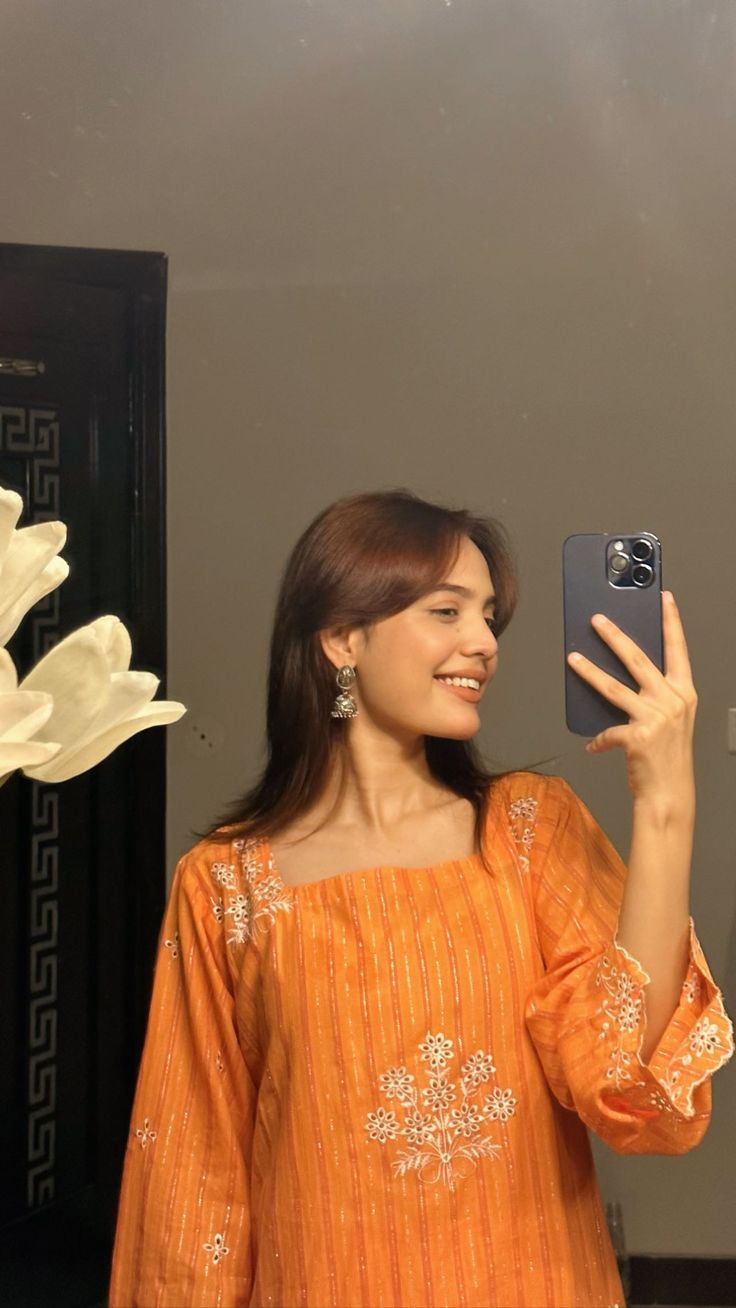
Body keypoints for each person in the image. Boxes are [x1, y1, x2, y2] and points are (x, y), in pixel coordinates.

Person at [109, 489, 733, 1308]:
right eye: (447, 611)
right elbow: (190, 1183)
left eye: (489, 618)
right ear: (341, 637)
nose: (483, 643)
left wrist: (665, 806)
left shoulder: (527, 832)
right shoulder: (227, 885)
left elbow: (627, 1087)